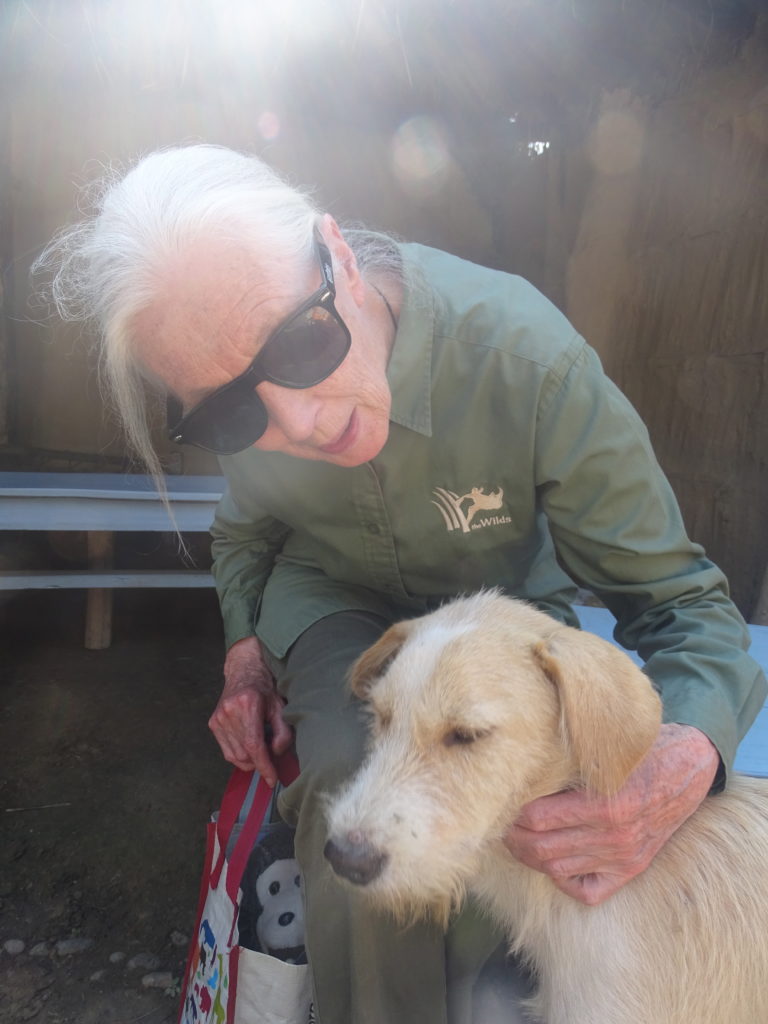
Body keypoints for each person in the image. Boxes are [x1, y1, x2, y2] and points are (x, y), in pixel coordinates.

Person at [35, 144, 766, 1024]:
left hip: (493, 613)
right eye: (230, 408)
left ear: (339, 258)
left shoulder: (526, 363)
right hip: (333, 599)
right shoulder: (258, 412)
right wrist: (244, 659)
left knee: (508, 785)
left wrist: (680, 765)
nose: (297, 421)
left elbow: (683, 606)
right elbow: (245, 532)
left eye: (302, 342)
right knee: (350, 771)